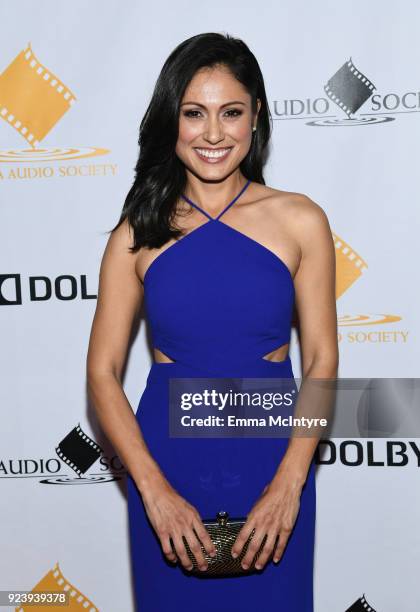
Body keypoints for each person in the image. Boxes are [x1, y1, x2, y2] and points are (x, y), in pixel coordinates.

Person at [86, 32, 338, 612]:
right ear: (170, 120)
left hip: (275, 454)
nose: (214, 133)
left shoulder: (300, 219)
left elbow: (323, 360)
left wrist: (290, 483)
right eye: (194, 114)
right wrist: (151, 490)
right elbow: (102, 373)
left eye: (232, 112)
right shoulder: (137, 232)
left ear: (256, 119)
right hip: (169, 464)